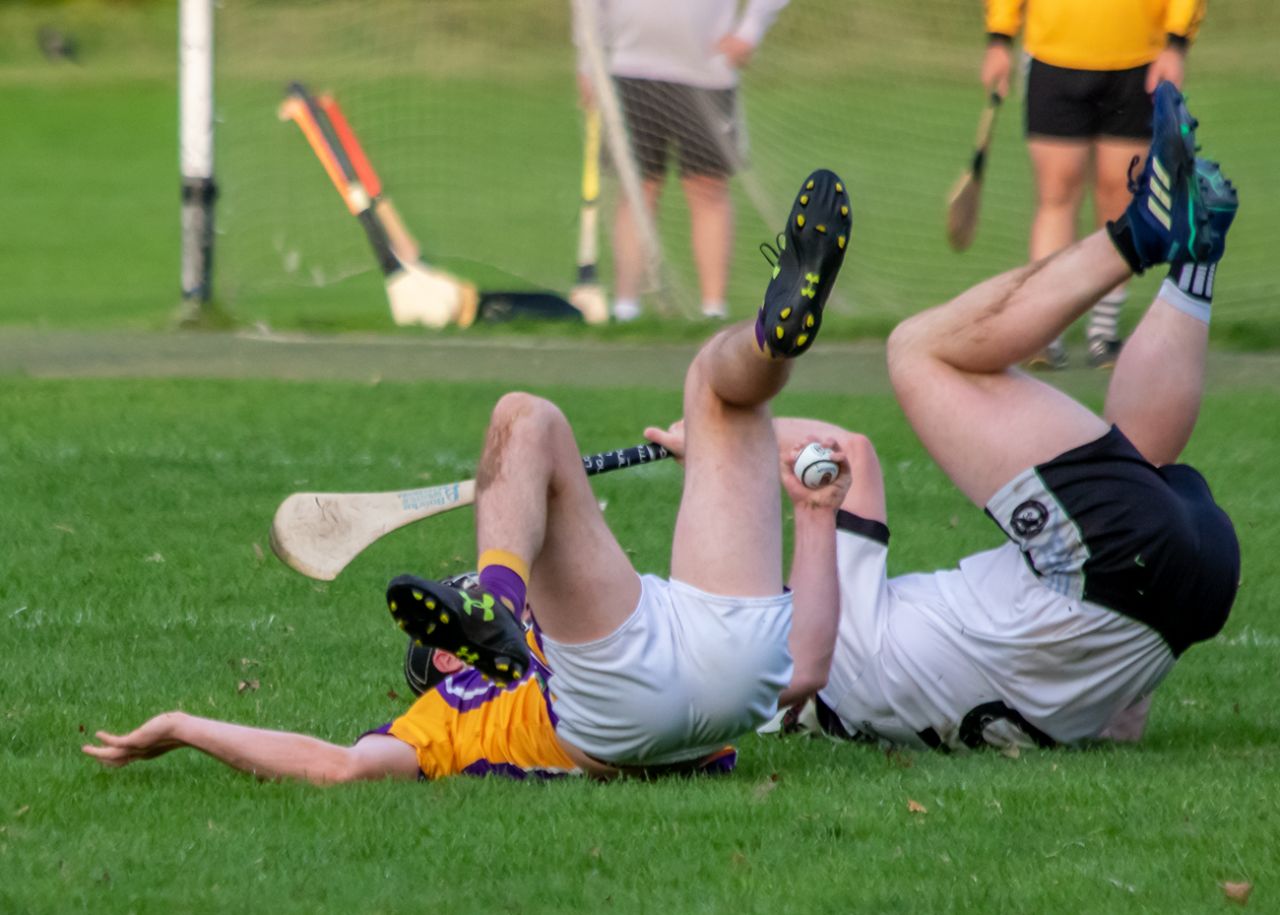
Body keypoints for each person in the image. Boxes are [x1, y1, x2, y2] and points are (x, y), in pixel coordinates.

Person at [85, 170, 855, 782]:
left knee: (717, 398)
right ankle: (762, 345)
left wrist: (188, 726)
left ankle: (770, 333)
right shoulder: (447, 712)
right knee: (526, 416)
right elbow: (812, 664)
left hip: (713, 683)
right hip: (615, 699)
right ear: (448, 658)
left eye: (458, 600)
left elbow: (805, 665)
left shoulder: (435, 737)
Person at [774, 84, 1236, 750]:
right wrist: (715, 437)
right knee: (921, 353)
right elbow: (848, 458)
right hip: (1105, 562)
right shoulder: (820, 643)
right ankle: (1142, 234)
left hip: (1177, 605)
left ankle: (1194, 260)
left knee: (1135, 464)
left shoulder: (872, 709)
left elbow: (1121, 728)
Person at [982, 0, 1206, 369]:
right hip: (1053, 57)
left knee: (1118, 194)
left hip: (1140, 59)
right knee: (1056, 194)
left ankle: (1104, 333)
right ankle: (1044, 333)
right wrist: (999, 37)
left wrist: (1176, 43)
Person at [573, 0, 790, 321]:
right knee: (637, 188)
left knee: (707, 187)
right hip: (628, 68)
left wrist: (750, 29)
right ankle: (626, 308)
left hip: (707, 69)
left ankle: (712, 310)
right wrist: (587, 59)